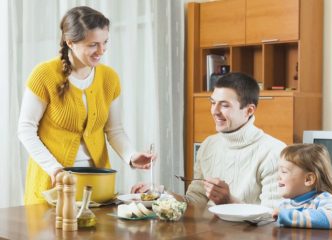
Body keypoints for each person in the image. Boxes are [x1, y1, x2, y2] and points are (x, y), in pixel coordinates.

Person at [18, 6, 153, 205]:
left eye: (105, 42)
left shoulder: (109, 78)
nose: (102, 51)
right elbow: (25, 130)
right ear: (70, 42)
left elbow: (114, 129)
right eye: (93, 45)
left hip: (97, 186)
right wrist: (54, 168)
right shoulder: (44, 75)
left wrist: (131, 156)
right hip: (54, 185)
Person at [132, 72, 285, 208]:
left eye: (224, 105)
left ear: (249, 110)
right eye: (213, 103)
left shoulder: (274, 152)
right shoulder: (208, 145)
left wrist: (229, 201)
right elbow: (194, 202)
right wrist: (160, 193)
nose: (215, 111)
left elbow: (272, 217)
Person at [273, 144, 332, 229]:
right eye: (279, 171)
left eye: (284, 171)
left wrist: (289, 216)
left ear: (308, 179)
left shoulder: (323, 199)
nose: (278, 177)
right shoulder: (284, 204)